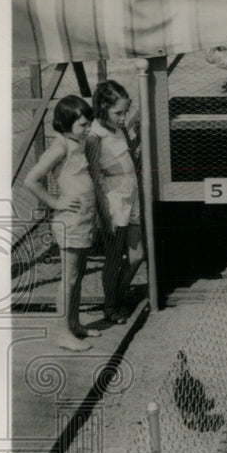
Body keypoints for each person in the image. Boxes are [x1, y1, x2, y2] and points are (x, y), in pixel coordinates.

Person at [24, 95, 99, 351]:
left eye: (89, 123)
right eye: (83, 125)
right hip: (70, 220)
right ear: (66, 124)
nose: (88, 128)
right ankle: (63, 334)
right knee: (69, 278)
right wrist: (56, 203)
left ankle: (74, 324)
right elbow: (31, 179)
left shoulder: (77, 142)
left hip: (84, 219)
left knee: (77, 277)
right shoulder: (60, 146)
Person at [85, 80, 144, 325]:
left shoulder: (118, 128)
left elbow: (126, 153)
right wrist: (103, 213)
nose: (122, 117)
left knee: (136, 255)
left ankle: (118, 294)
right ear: (102, 109)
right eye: (117, 113)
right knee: (114, 256)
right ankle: (111, 306)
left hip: (131, 193)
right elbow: (92, 177)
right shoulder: (94, 136)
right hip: (113, 199)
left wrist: (136, 137)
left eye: (125, 112)